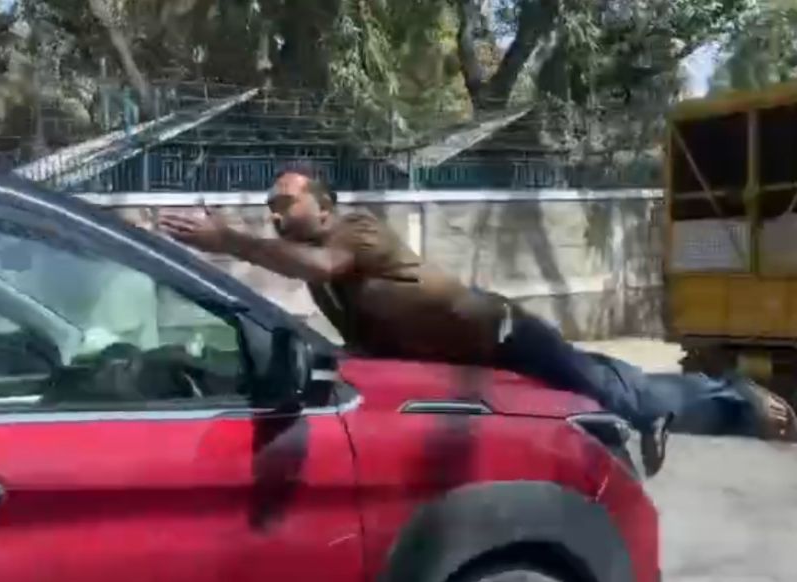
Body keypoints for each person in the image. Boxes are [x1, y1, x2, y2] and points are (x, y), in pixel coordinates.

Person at [158, 167, 795, 458]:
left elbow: (320, 266)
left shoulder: (354, 229)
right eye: (269, 207)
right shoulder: (323, 275)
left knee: (615, 394)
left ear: (323, 206)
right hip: (469, 358)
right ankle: (699, 400)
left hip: (503, 333)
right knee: (606, 383)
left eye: (285, 203)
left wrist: (230, 240)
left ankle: (733, 403)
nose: (274, 214)